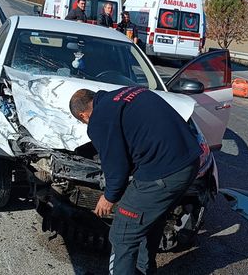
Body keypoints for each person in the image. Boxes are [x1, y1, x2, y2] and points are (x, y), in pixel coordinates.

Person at [69, 87, 201, 275]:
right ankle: (143, 270)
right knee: (150, 220)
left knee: (122, 234)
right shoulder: (130, 93)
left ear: (83, 116)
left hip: (163, 173)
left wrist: (109, 197)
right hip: (190, 161)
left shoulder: (99, 119)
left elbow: (116, 167)